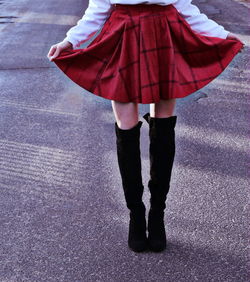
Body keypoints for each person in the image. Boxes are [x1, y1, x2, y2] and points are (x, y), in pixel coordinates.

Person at [47, 0, 244, 253]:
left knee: (163, 129)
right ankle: (136, 215)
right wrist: (69, 42)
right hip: (122, 39)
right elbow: (95, 13)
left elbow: (186, 9)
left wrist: (223, 35)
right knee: (126, 129)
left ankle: (157, 214)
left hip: (165, 36)